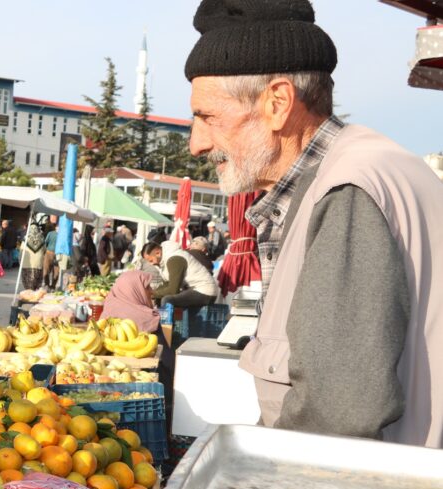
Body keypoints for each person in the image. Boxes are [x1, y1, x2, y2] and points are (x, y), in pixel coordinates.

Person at [186, 0, 443, 446]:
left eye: (208, 117)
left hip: (377, 487)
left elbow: (335, 416)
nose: (197, 144)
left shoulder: (347, 190)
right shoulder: (359, 169)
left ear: (278, 103)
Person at [152, 240, 218, 311]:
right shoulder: (165, 260)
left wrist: (152, 294)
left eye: (151, 261)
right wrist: (153, 294)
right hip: (195, 289)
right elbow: (167, 284)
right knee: (161, 298)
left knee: (167, 300)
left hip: (204, 291)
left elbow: (173, 290)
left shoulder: (175, 259)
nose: (151, 264)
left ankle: (165, 319)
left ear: (158, 253)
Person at [20, 213, 48, 291]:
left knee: (27, 279)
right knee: (36, 279)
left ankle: (28, 291)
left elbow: (21, 250)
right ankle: (35, 290)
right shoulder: (41, 238)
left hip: (27, 263)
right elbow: (44, 250)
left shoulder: (26, 238)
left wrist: (20, 260)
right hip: (38, 263)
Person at [43, 214, 59, 290]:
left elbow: (45, 242)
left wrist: (45, 250)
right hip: (58, 254)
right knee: (56, 271)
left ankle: (47, 284)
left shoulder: (50, 233)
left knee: (46, 269)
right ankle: (53, 286)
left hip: (49, 253)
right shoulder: (62, 235)